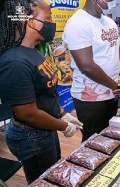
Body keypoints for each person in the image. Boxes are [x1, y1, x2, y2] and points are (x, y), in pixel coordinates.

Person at [0, 0, 83, 183]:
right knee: (44, 182)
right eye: (48, 18)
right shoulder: (15, 62)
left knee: (53, 175)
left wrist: (62, 114)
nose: (52, 23)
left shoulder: (35, 52)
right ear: (31, 22)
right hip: (31, 136)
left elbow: (46, 93)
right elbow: (27, 113)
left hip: (46, 129)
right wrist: (63, 126)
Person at [63, 0, 120, 142]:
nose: (114, 2)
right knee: (92, 142)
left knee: (108, 137)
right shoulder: (78, 23)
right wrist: (114, 85)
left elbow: (119, 51)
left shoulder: (109, 22)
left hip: (113, 92)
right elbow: (86, 66)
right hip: (90, 98)